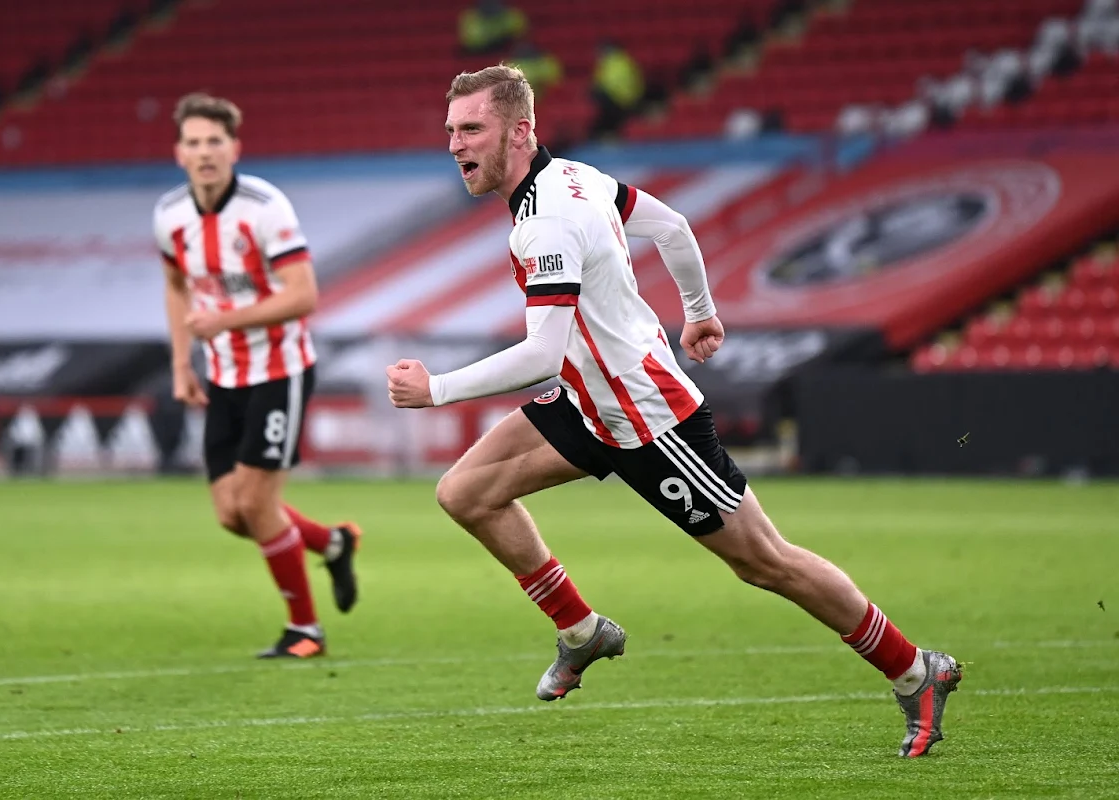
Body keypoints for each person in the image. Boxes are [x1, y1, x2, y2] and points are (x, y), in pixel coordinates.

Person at [386, 65, 962, 757]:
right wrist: (700, 313)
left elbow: (543, 351)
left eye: (471, 128)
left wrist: (437, 390)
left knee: (764, 562)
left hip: (649, 420)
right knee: (466, 492)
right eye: (450, 129)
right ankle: (581, 631)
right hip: (590, 401)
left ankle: (913, 669)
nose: (455, 144)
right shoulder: (578, 176)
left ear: (520, 132)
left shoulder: (547, 221)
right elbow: (673, 226)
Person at [154, 93, 361, 659]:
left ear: (234, 148)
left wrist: (224, 319)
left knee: (257, 504)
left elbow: (304, 295)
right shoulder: (170, 215)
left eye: (214, 142)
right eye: (193, 143)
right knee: (231, 513)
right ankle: (332, 542)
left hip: (279, 371)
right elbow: (176, 286)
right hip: (223, 375)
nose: (204, 153)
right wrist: (181, 364)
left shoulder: (265, 207)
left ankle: (305, 631)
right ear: (179, 152)